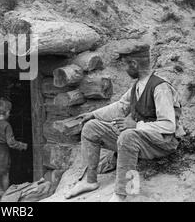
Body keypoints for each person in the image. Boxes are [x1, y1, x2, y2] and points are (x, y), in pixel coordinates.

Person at [66, 43, 184, 202]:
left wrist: (136, 126)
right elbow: (120, 106)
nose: (125, 70)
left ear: (134, 64)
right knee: (91, 128)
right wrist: (93, 114)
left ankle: (121, 194)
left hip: (162, 143)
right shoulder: (137, 85)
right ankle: (89, 180)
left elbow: (169, 126)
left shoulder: (160, 87)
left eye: (125, 65)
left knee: (127, 136)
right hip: (142, 139)